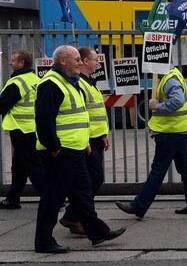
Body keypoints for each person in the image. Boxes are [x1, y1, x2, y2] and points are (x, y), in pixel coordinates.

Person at [34, 45, 125, 253]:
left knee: (82, 194)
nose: (79, 62)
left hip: (75, 149)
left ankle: (98, 232)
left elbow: (76, 116)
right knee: (53, 197)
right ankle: (43, 242)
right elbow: (43, 121)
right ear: (62, 61)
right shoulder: (51, 84)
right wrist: (55, 148)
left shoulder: (70, 82)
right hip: (60, 152)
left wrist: (84, 141)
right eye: (75, 59)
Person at [115, 65, 187, 218]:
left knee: (158, 169)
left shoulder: (170, 79)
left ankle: (139, 206)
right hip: (179, 130)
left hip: (170, 132)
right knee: (186, 169)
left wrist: (158, 106)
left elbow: (177, 101)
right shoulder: (170, 75)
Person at [59, 47, 110, 236]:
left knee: (90, 180)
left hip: (96, 137)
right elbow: (81, 113)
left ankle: (76, 217)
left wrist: (103, 134)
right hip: (87, 139)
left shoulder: (90, 82)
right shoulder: (80, 83)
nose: (98, 62)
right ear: (87, 61)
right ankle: (76, 217)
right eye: (95, 59)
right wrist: (87, 138)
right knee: (91, 180)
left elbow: (96, 112)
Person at [0, 49, 44, 209]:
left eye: (13, 60)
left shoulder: (17, 82)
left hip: (21, 129)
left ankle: (51, 198)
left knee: (33, 166)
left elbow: (3, 105)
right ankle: (12, 198)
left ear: (22, 63)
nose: (10, 63)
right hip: (33, 128)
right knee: (18, 166)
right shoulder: (36, 79)